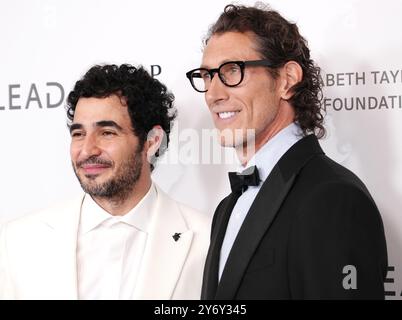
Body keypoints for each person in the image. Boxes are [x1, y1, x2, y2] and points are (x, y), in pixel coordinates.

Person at [186, 3, 388, 299]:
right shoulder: (227, 208)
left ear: (286, 80)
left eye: (232, 71)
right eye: (207, 76)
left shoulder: (333, 198)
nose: (214, 94)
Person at [0, 64, 209, 300]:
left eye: (107, 132)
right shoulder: (17, 241)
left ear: (152, 141)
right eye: (78, 134)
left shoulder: (207, 240)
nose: (87, 150)